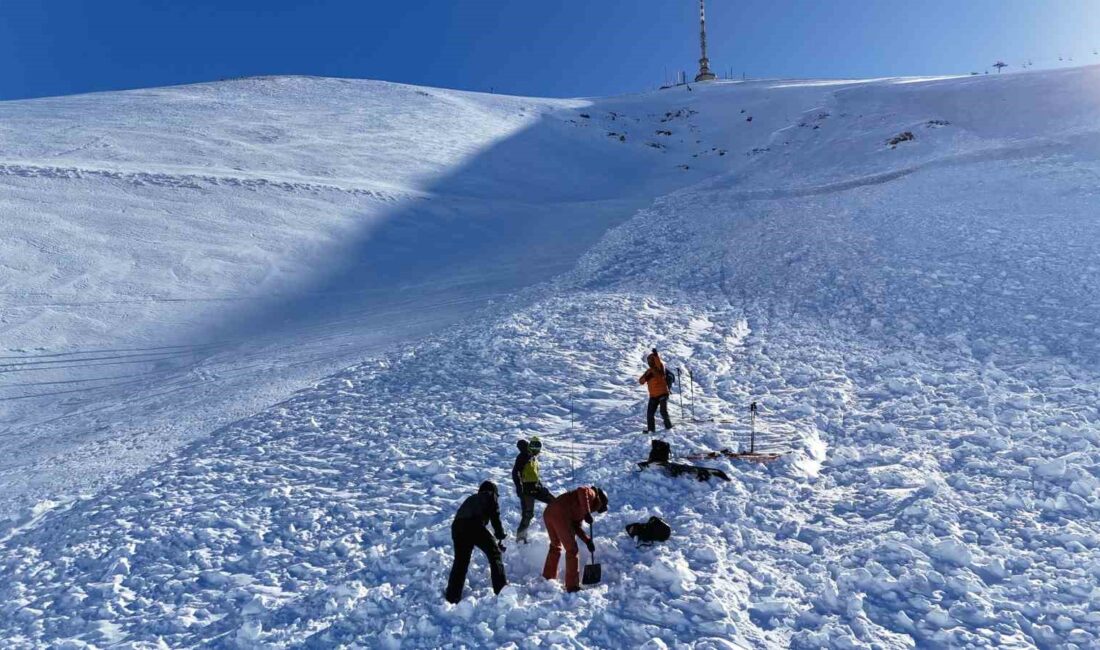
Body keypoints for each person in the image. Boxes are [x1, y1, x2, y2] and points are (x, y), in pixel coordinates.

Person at [445, 481, 508, 604]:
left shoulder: (472, 499)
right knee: (495, 554)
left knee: (461, 562)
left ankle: (452, 597)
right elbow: (495, 516)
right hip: (473, 525)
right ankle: (502, 592)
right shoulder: (490, 495)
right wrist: (500, 534)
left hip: (457, 527)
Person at [542, 486, 608, 593]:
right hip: (561, 514)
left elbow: (576, 526)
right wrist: (587, 513)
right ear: (601, 502)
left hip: (549, 512)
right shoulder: (592, 494)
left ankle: (548, 577)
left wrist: (587, 541)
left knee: (555, 546)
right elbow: (582, 490)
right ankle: (572, 586)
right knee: (572, 550)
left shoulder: (582, 507)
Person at [512, 437, 555, 543]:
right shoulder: (524, 456)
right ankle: (521, 538)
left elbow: (533, 475)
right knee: (528, 513)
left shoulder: (532, 457)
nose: (539, 451)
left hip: (535, 487)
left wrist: (541, 486)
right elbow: (515, 472)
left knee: (554, 502)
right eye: (538, 449)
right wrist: (519, 488)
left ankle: (559, 526)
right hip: (526, 490)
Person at [639, 348, 673, 433]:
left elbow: (659, 363)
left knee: (663, 411)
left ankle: (668, 427)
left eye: (651, 360)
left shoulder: (660, 369)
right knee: (650, 414)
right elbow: (641, 381)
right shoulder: (648, 371)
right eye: (649, 361)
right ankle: (651, 430)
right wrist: (646, 377)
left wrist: (656, 355)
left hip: (663, 394)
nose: (650, 362)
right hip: (653, 396)